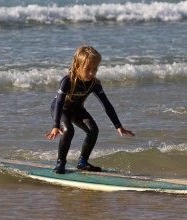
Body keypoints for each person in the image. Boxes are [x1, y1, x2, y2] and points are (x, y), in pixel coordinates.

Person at [45, 45, 135, 174]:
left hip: (77, 110)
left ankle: (83, 162)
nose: (91, 73)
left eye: (95, 69)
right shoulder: (68, 81)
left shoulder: (95, 83)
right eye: (88, 69)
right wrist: (55, 125)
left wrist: (118, 125)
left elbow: (106, 104)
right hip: (61, 110)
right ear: (77, 66)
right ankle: (60, 163)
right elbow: (58, 104)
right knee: (68, 131)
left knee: (93, 130)